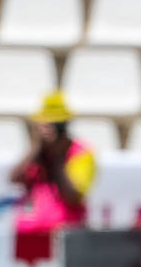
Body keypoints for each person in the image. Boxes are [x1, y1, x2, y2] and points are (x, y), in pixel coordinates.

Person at [9, 91, 96, 233]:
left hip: (64, 234)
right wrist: (36, 147)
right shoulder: (38, 153)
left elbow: (74, 196)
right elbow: (14, 179)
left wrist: (58, 158)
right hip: (29, 233)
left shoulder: (81, 153)